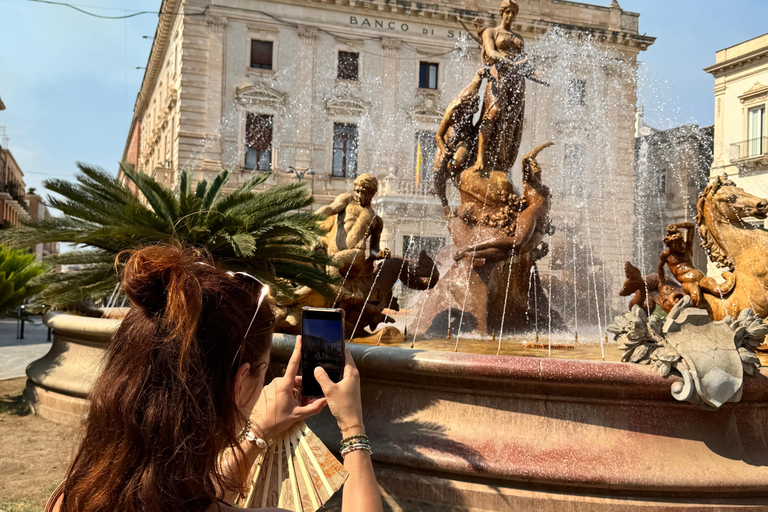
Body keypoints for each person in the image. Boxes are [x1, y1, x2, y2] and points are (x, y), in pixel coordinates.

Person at [46, 244, 383, 512]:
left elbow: (180, 497)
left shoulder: (72, 497)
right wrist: (353, 428)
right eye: (264, 373)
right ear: (240, 383)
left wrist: (258, 432)